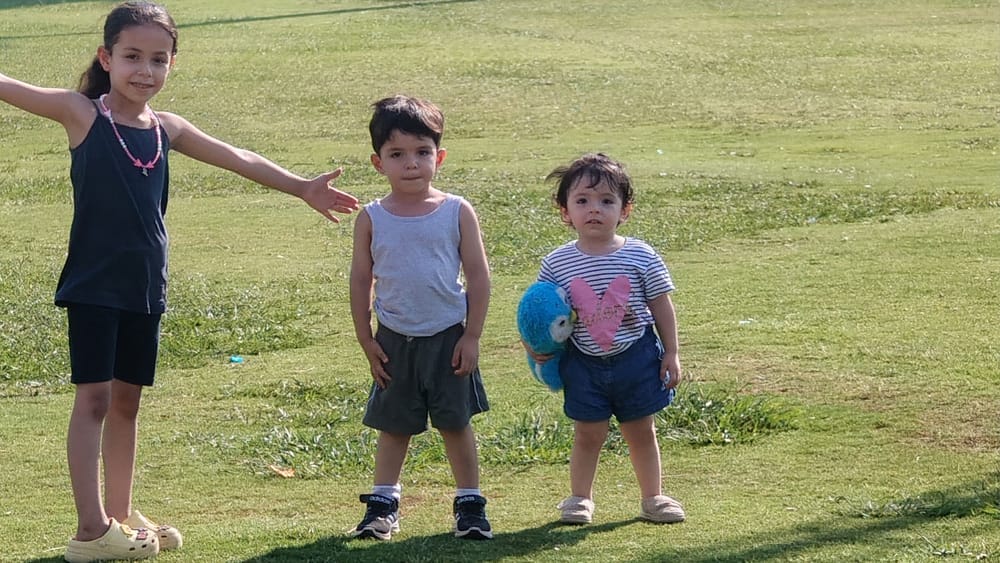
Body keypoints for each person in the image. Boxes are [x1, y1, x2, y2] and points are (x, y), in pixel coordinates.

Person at [0, 2, 359, 561]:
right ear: (107, 58)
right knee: (92, 401)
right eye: (132, 57)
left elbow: (238, 156)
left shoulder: (168, 128)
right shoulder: (82, 114)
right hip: (94, 285)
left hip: (145, 287)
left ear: (172, 66)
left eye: (158, 60)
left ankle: (120, 515)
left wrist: (300, 186)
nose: (144, 70)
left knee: (127, 404)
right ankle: (91, 531)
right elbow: (8, 85)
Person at [348, 95, 492, 541]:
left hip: (448, 337)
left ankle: (470, 506)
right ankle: (382, 506)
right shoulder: (371, 217)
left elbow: (478, 276)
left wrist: (471, 336)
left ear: (439, 156)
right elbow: (359, 281)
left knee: (455, 423)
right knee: (394, 426)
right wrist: (366, 339)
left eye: (422, 152)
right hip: (393, 339)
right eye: (397, 155)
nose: (411, 164)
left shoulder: (456, 210)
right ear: (378, 163)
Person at [524, 153, 686, 526]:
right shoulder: (557, 263)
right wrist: (535, 350)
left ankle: (653, 498)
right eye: (582, 201)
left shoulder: (640, 255)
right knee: (587, 433)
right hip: (583, 362)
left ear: (624, 210)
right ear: (565, 211)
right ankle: (579, 499)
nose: (594, 209)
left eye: (607, 201)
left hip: (636, 356)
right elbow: (540, 314)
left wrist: (672, 353)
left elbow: (662, 305)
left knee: (641, 431)